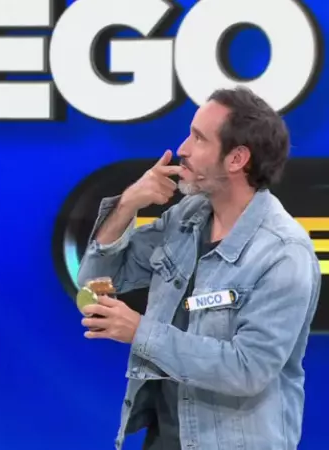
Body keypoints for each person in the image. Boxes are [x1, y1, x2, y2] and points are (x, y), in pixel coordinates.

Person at [77, 86, 320, 450]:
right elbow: (96, 282)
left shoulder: (284, 254)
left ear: (236, 159)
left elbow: (247, 369)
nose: (183, 149)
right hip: (164, 438)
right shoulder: (187, 217)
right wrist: (128, 204)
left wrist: (140, 331)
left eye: (199, 138)